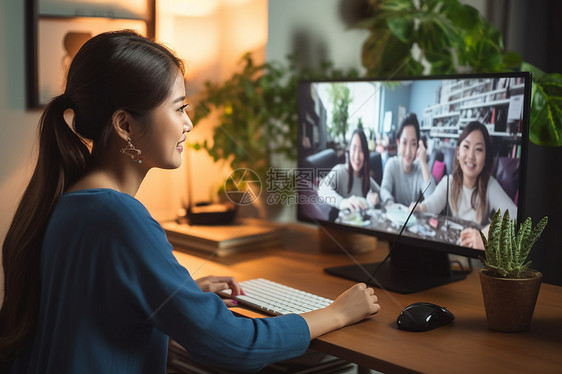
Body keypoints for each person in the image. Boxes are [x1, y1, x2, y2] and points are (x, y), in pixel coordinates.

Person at [0, 31, 380, 373]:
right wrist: (337, 313)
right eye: (179, 108)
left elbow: (91, 304)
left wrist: (179, 294)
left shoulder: (66, 199)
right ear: (125, 125)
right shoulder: (119, 217)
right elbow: (234, 345)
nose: (189, 124)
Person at [413, 121, 517, 249]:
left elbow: (513, 213)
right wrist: (419, 208)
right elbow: (431, 204)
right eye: (466, 147)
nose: (471, 156)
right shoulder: (449, 182)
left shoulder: (490, 185)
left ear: (486, 158)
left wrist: (486, 236)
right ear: (458, 152)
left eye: (478, 149)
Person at [318, 128, 381, 214]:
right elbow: (322, 189)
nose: (357, 156)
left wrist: (376, 198)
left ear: (366, 154)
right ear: (349, 150)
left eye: (361, 150)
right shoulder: (340, 171)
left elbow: (380, 192)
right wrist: (342, 202)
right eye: (354, 148)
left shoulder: (366, 178)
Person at [380, 113, 435, 207]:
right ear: (398, 143)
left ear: (418, 145)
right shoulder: (392, 164)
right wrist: (390, 203)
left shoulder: (419, 168)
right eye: (404, 143)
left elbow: (433, 198)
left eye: (413, 144)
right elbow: (384, 190)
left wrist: (423, 163)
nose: (408, 151)